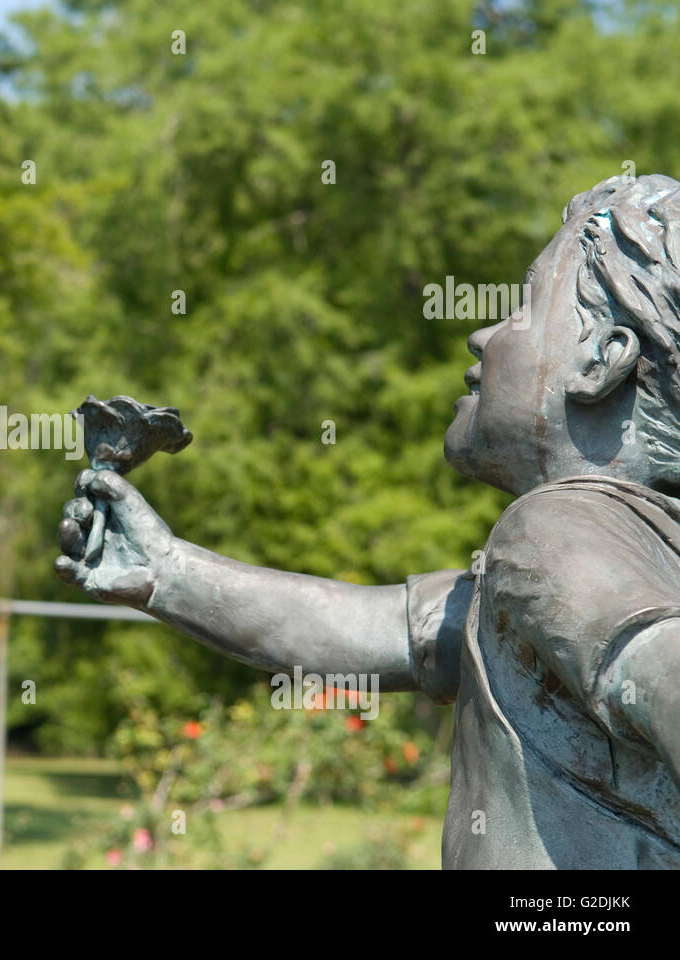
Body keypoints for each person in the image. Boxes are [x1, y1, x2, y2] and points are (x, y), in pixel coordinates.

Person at [57, 173, 680, 868]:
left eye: (523, 308)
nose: (482, 336)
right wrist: (168, 571)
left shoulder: (553, 532)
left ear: (600, 361)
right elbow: (370, 631)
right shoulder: (621, 556)